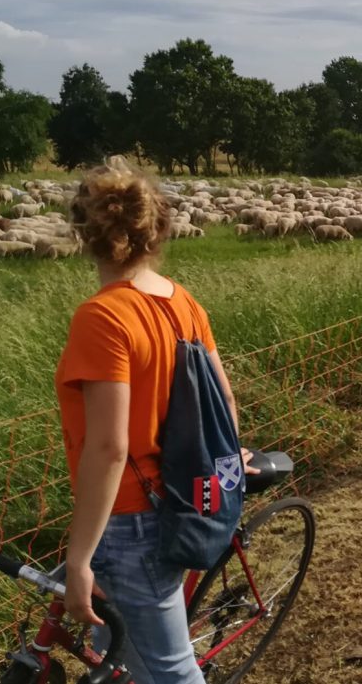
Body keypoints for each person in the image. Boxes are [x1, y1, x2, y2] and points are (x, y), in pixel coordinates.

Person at [55, 156, 246, 683]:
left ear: (84, 233)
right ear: (158, 229)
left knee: (169, 672)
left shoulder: (102, 317)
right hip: (179, 500)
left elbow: (109, 448)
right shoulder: (184, 303)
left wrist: (79, 558)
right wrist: (230, 457)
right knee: (124, 659)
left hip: (129, 522)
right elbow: (225, 402)